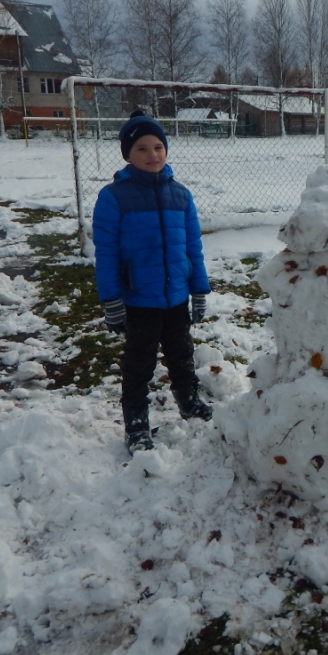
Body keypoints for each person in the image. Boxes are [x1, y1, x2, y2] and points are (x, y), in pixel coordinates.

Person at [92, 110, 213, 455]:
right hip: (139, 299)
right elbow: (107, 254)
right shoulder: (113, 197)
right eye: (142, 148)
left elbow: (194, 248)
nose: (153, 155)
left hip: (176, 296)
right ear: (128, 154)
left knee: (181, 355)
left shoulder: (181, 196)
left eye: (158, 146)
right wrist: (112, 300)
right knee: (139, 363)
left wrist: (199, 290)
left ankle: (189, 401)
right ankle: (136, 422)